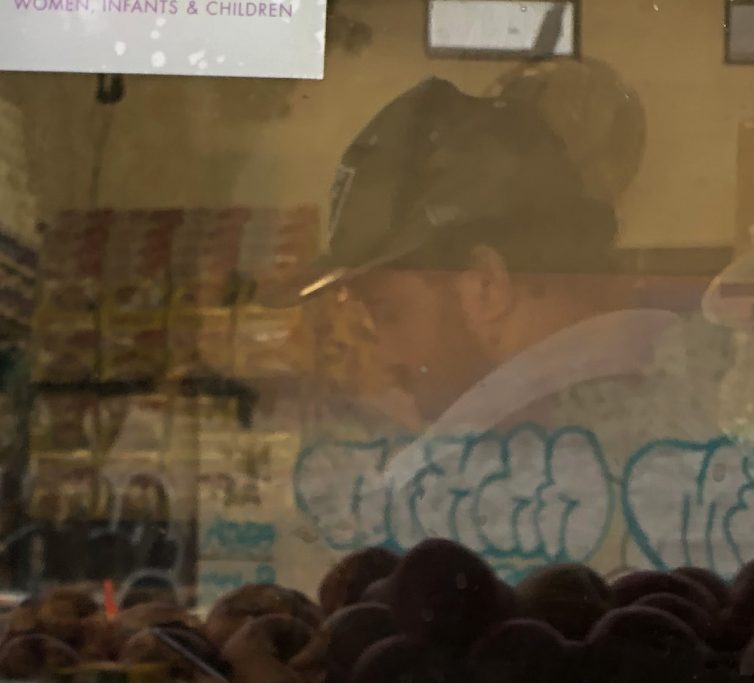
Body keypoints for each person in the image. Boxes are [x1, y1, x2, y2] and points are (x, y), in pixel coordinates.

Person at [299, 67, 718, 444]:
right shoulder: (670, 387)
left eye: (389, 314)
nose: (386, 358)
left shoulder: (558, 446)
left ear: (486, 284)